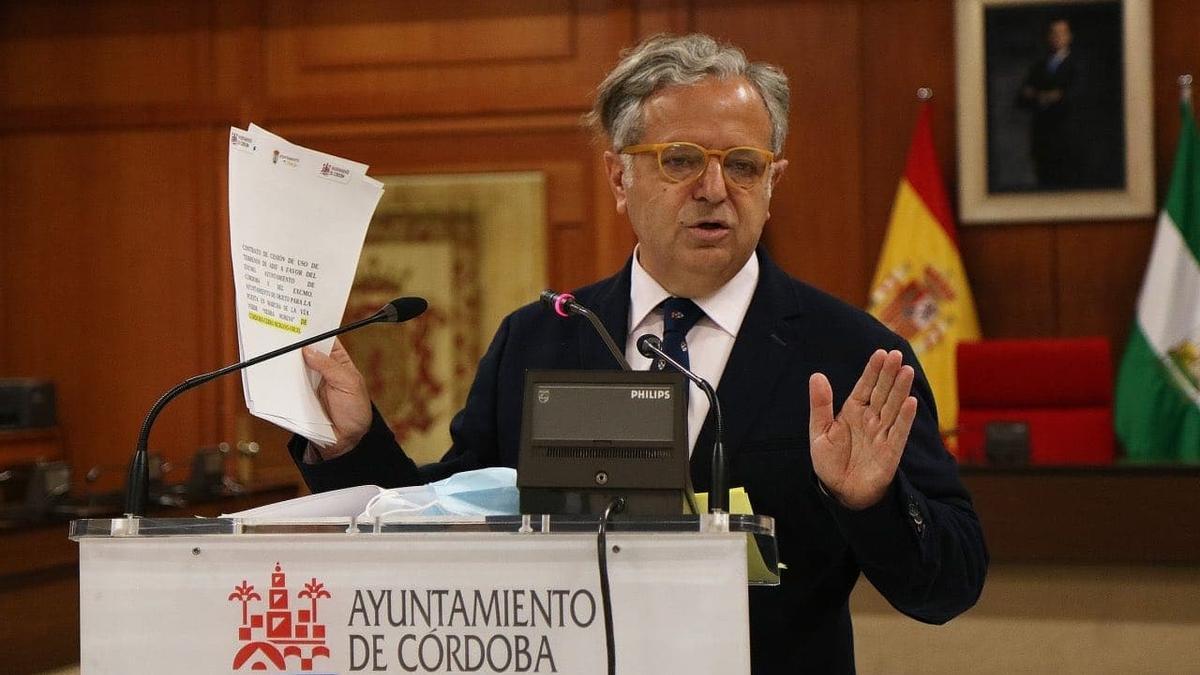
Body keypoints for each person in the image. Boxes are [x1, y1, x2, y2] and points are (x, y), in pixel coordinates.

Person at [289, 33, 987, 674]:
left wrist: (871, 504)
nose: (714, 189)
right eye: (680, 160)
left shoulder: (854, 355)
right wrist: (351, 444)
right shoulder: (540, 339)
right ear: (619, 178)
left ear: (772, 182)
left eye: (743, 165)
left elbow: (948, 586)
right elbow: (446, 527)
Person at [1017, 17, 1080, 189]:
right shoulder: (1038, 67)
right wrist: (1048, 96)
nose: (1057, 37)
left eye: (1062, 33)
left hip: (1066, 138)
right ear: (1048, 37)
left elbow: (1072, 97)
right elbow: (1021, 99)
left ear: (1069, 37)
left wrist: (1038, 95)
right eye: (1053, 33)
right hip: (1041, 139)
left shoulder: (1076, 66)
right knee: (1044, 182)